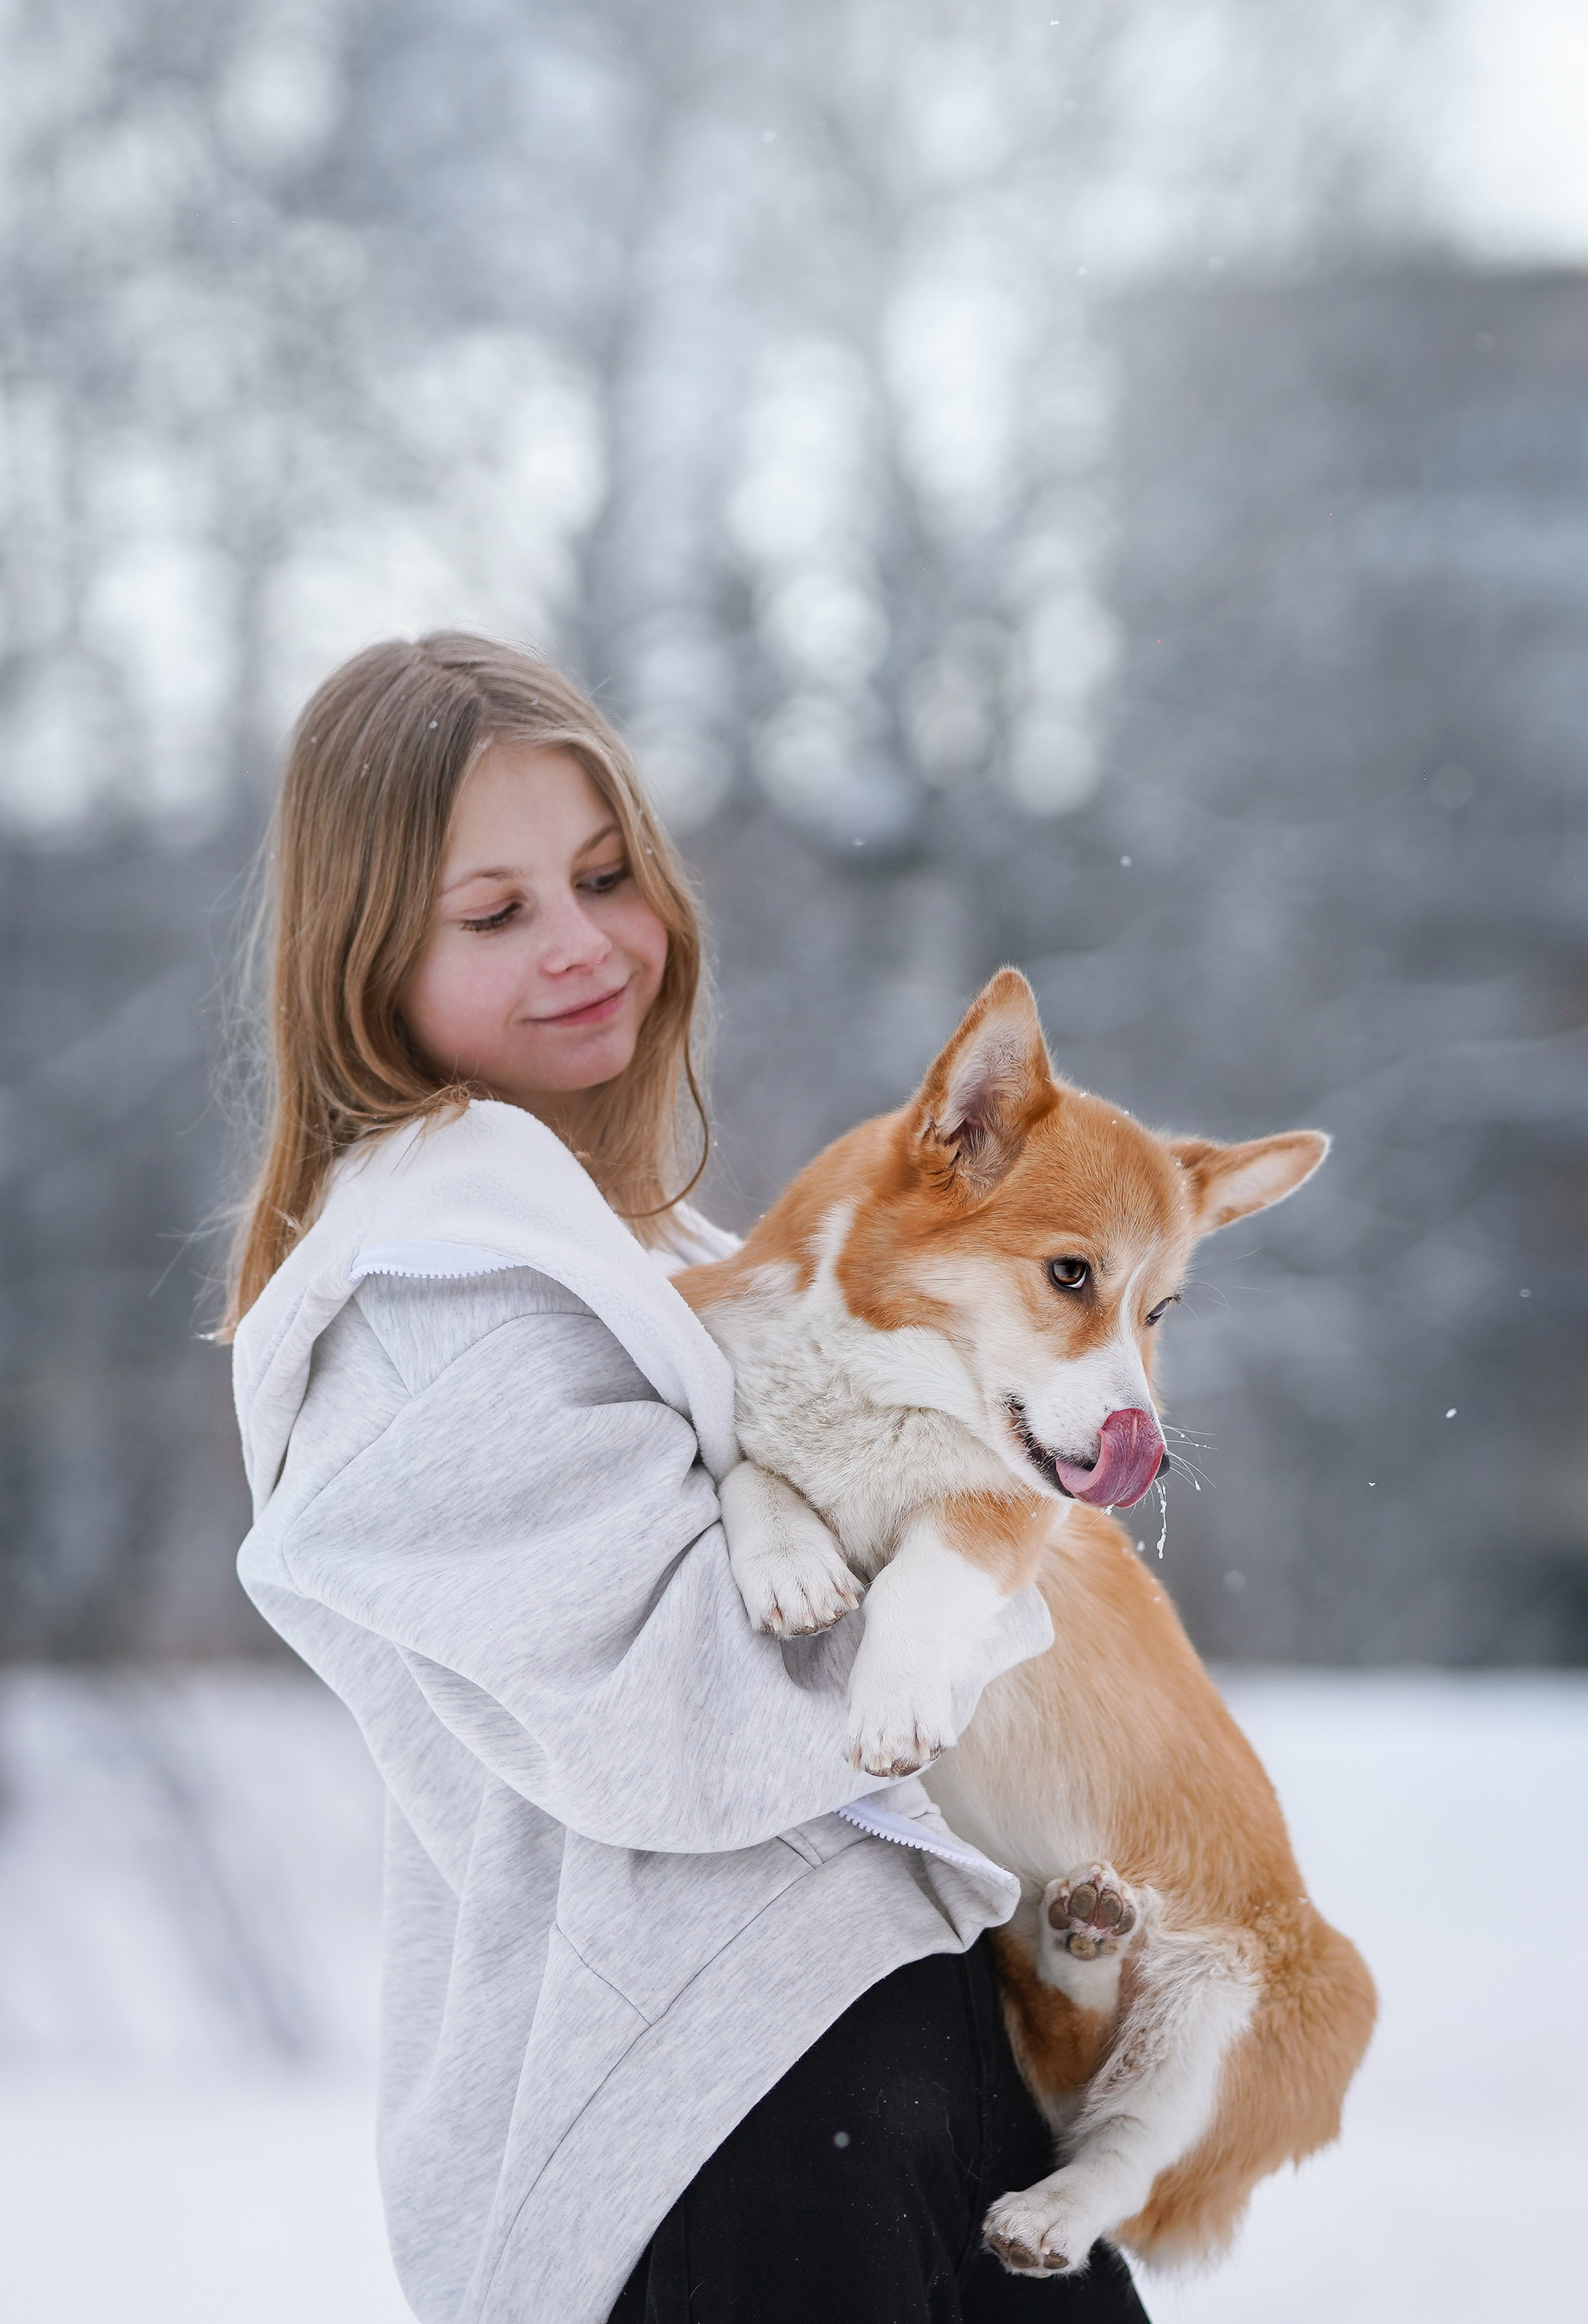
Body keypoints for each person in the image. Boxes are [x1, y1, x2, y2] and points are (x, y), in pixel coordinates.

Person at [224, 632, 1151, 2324]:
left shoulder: (639, 1248)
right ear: (366, 963)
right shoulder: (436, 1302)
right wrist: (980, 1579)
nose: (583, 943)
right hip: (712, 2103)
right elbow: (678, 1720)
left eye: (604, 876)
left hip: (895, 2037)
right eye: (494, 913)